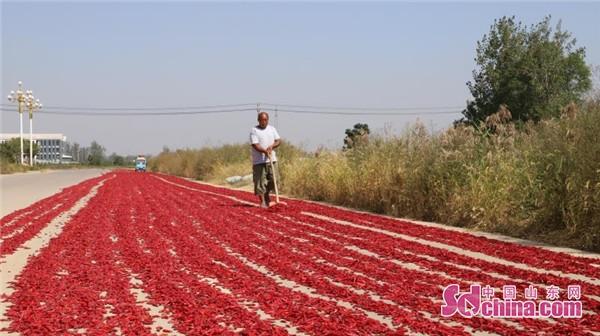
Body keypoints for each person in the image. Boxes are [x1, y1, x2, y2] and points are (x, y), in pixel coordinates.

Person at [250, 111, 281, 208]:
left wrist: (272, 146)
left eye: (265, 120)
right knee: (260, 182)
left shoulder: (272, 129)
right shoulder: (254, 130)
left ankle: (267, 193)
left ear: (268, 120)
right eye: (262, 120)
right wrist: (264, 151)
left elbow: (278, 140)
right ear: (258, 120)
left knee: (274, 179)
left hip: (272, 159)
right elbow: (255, 145)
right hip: (259, 161)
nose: (264, 122)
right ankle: (263, 201)